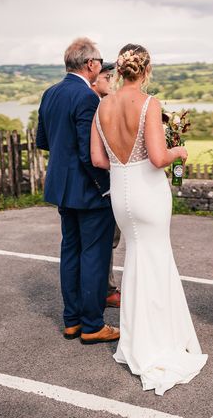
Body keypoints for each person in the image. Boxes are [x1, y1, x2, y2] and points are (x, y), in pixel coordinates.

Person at [90, 43, 207, 395]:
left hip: (120, 193)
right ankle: (159, 340)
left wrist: (124, 164)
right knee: (156, 259)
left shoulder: (102, 107)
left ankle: (136, 340)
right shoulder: (149, 103)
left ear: (121, 70)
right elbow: (158, 157)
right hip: (148, 191)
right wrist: (179, 151)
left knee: (138, 258)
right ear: (145, 70)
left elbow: (98, 159)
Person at [36, 37, 119, 344]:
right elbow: (89, 153)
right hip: (88, 191)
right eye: (99, 61)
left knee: (70, 252)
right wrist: (106, 187)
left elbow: (43, 141)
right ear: (90, 65)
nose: (100, 66)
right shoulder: (86, 98)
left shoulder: (50, 93)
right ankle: (93, 324)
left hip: (61, 189)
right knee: (94, 256)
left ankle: (71, 321)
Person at [91, 64, 121, 308]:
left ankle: (107, 286)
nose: (110, 81)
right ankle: (107, 289)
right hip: (103, 183)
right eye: (107, 77)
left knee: (111, 240)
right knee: (106, 239)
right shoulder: (98, 106)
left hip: (113, 183)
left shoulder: (108, 104)